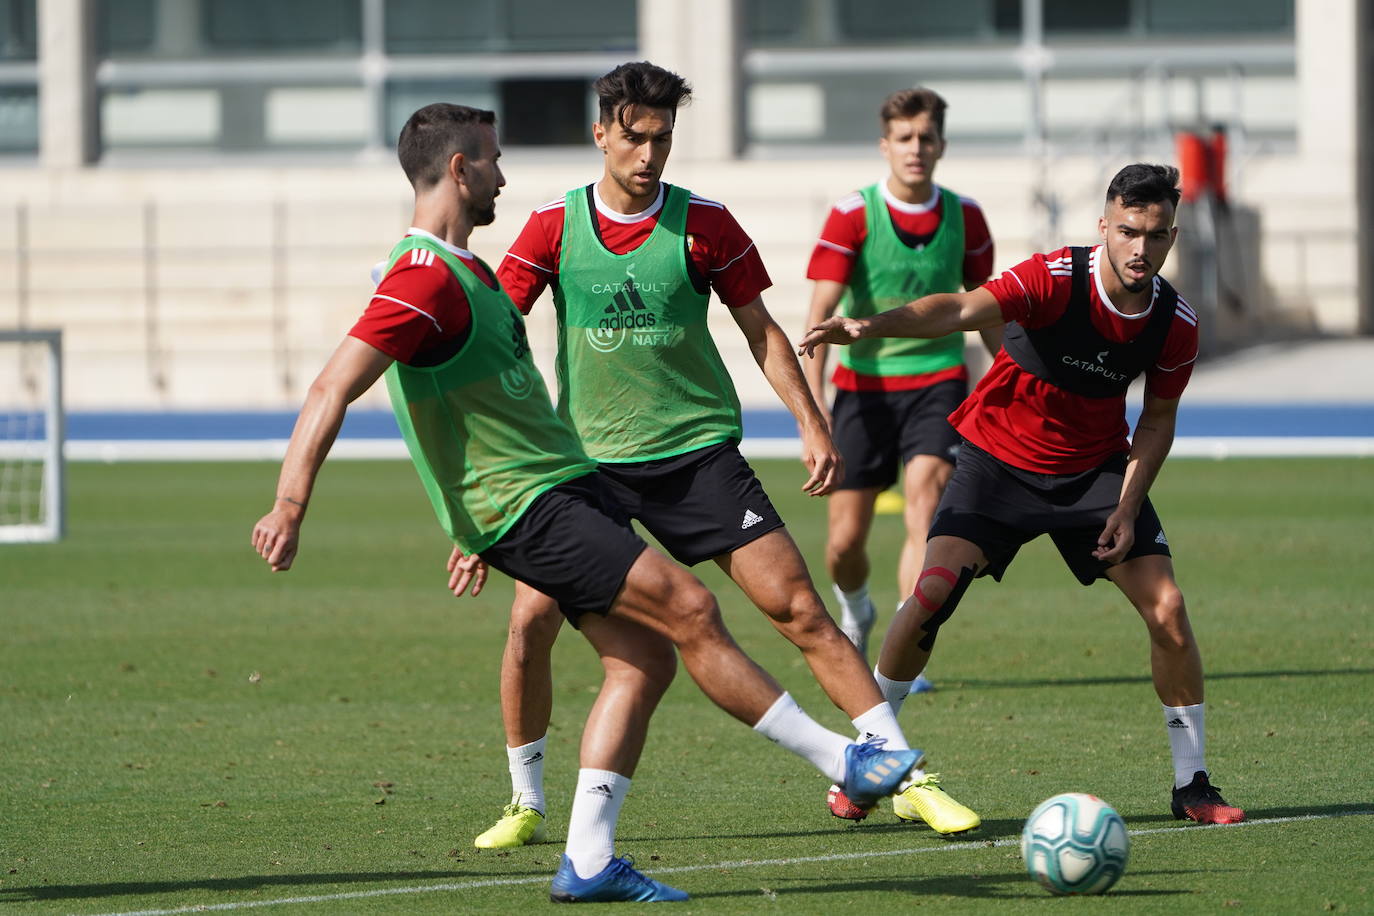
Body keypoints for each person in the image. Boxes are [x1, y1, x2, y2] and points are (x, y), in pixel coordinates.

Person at [251, 102, 924, 904]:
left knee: (644, 660)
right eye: (493, 160)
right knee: (689, 606)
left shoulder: (465, 270)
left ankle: (589, 860)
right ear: (461, 170)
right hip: (529, 505)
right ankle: (840, 758)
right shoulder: (423, 275)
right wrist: (291, 502)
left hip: (566, 486)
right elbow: (334, 383)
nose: (504, 173)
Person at [473, 62, 979, 850]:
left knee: (801, 609)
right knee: (529, 621)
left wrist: (812, 422)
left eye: (663, 139)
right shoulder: (550, 227)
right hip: (589, 467)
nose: (649, 154)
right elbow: (497, 339)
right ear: (600, 133)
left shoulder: (706, 223)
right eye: (634, 137)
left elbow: (763, 333)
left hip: (698, 456)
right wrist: (499, 470)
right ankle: (525, 799)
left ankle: (908, 777)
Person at [800, 163, 1246, 826]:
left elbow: (1156, 419)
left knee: (1169, 609)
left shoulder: (1174, 323)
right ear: (1105, 226)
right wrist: (872, 326)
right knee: (932, 594)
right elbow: (958, 307)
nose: (1139, 249)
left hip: (1093, 474)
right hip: (995, 461)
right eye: (1127, 231)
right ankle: (872, 760)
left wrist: (1125, 506)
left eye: (1155, 236)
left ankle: (1193, 784)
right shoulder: (1054, 278)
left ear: (1172, 235)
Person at [802, 87, 998, 706]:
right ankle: (856, 610)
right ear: (886, 145)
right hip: (862, 392)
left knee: (926, 506)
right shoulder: (853, 215)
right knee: (844, 544)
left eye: (927, 137)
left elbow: (987, 309)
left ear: (941, 143)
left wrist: (1013, 381)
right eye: (905, 138)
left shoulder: (967, 217)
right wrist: (814, 418)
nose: (916, 149)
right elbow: (818, 322)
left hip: (939, 382)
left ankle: (900, 655)